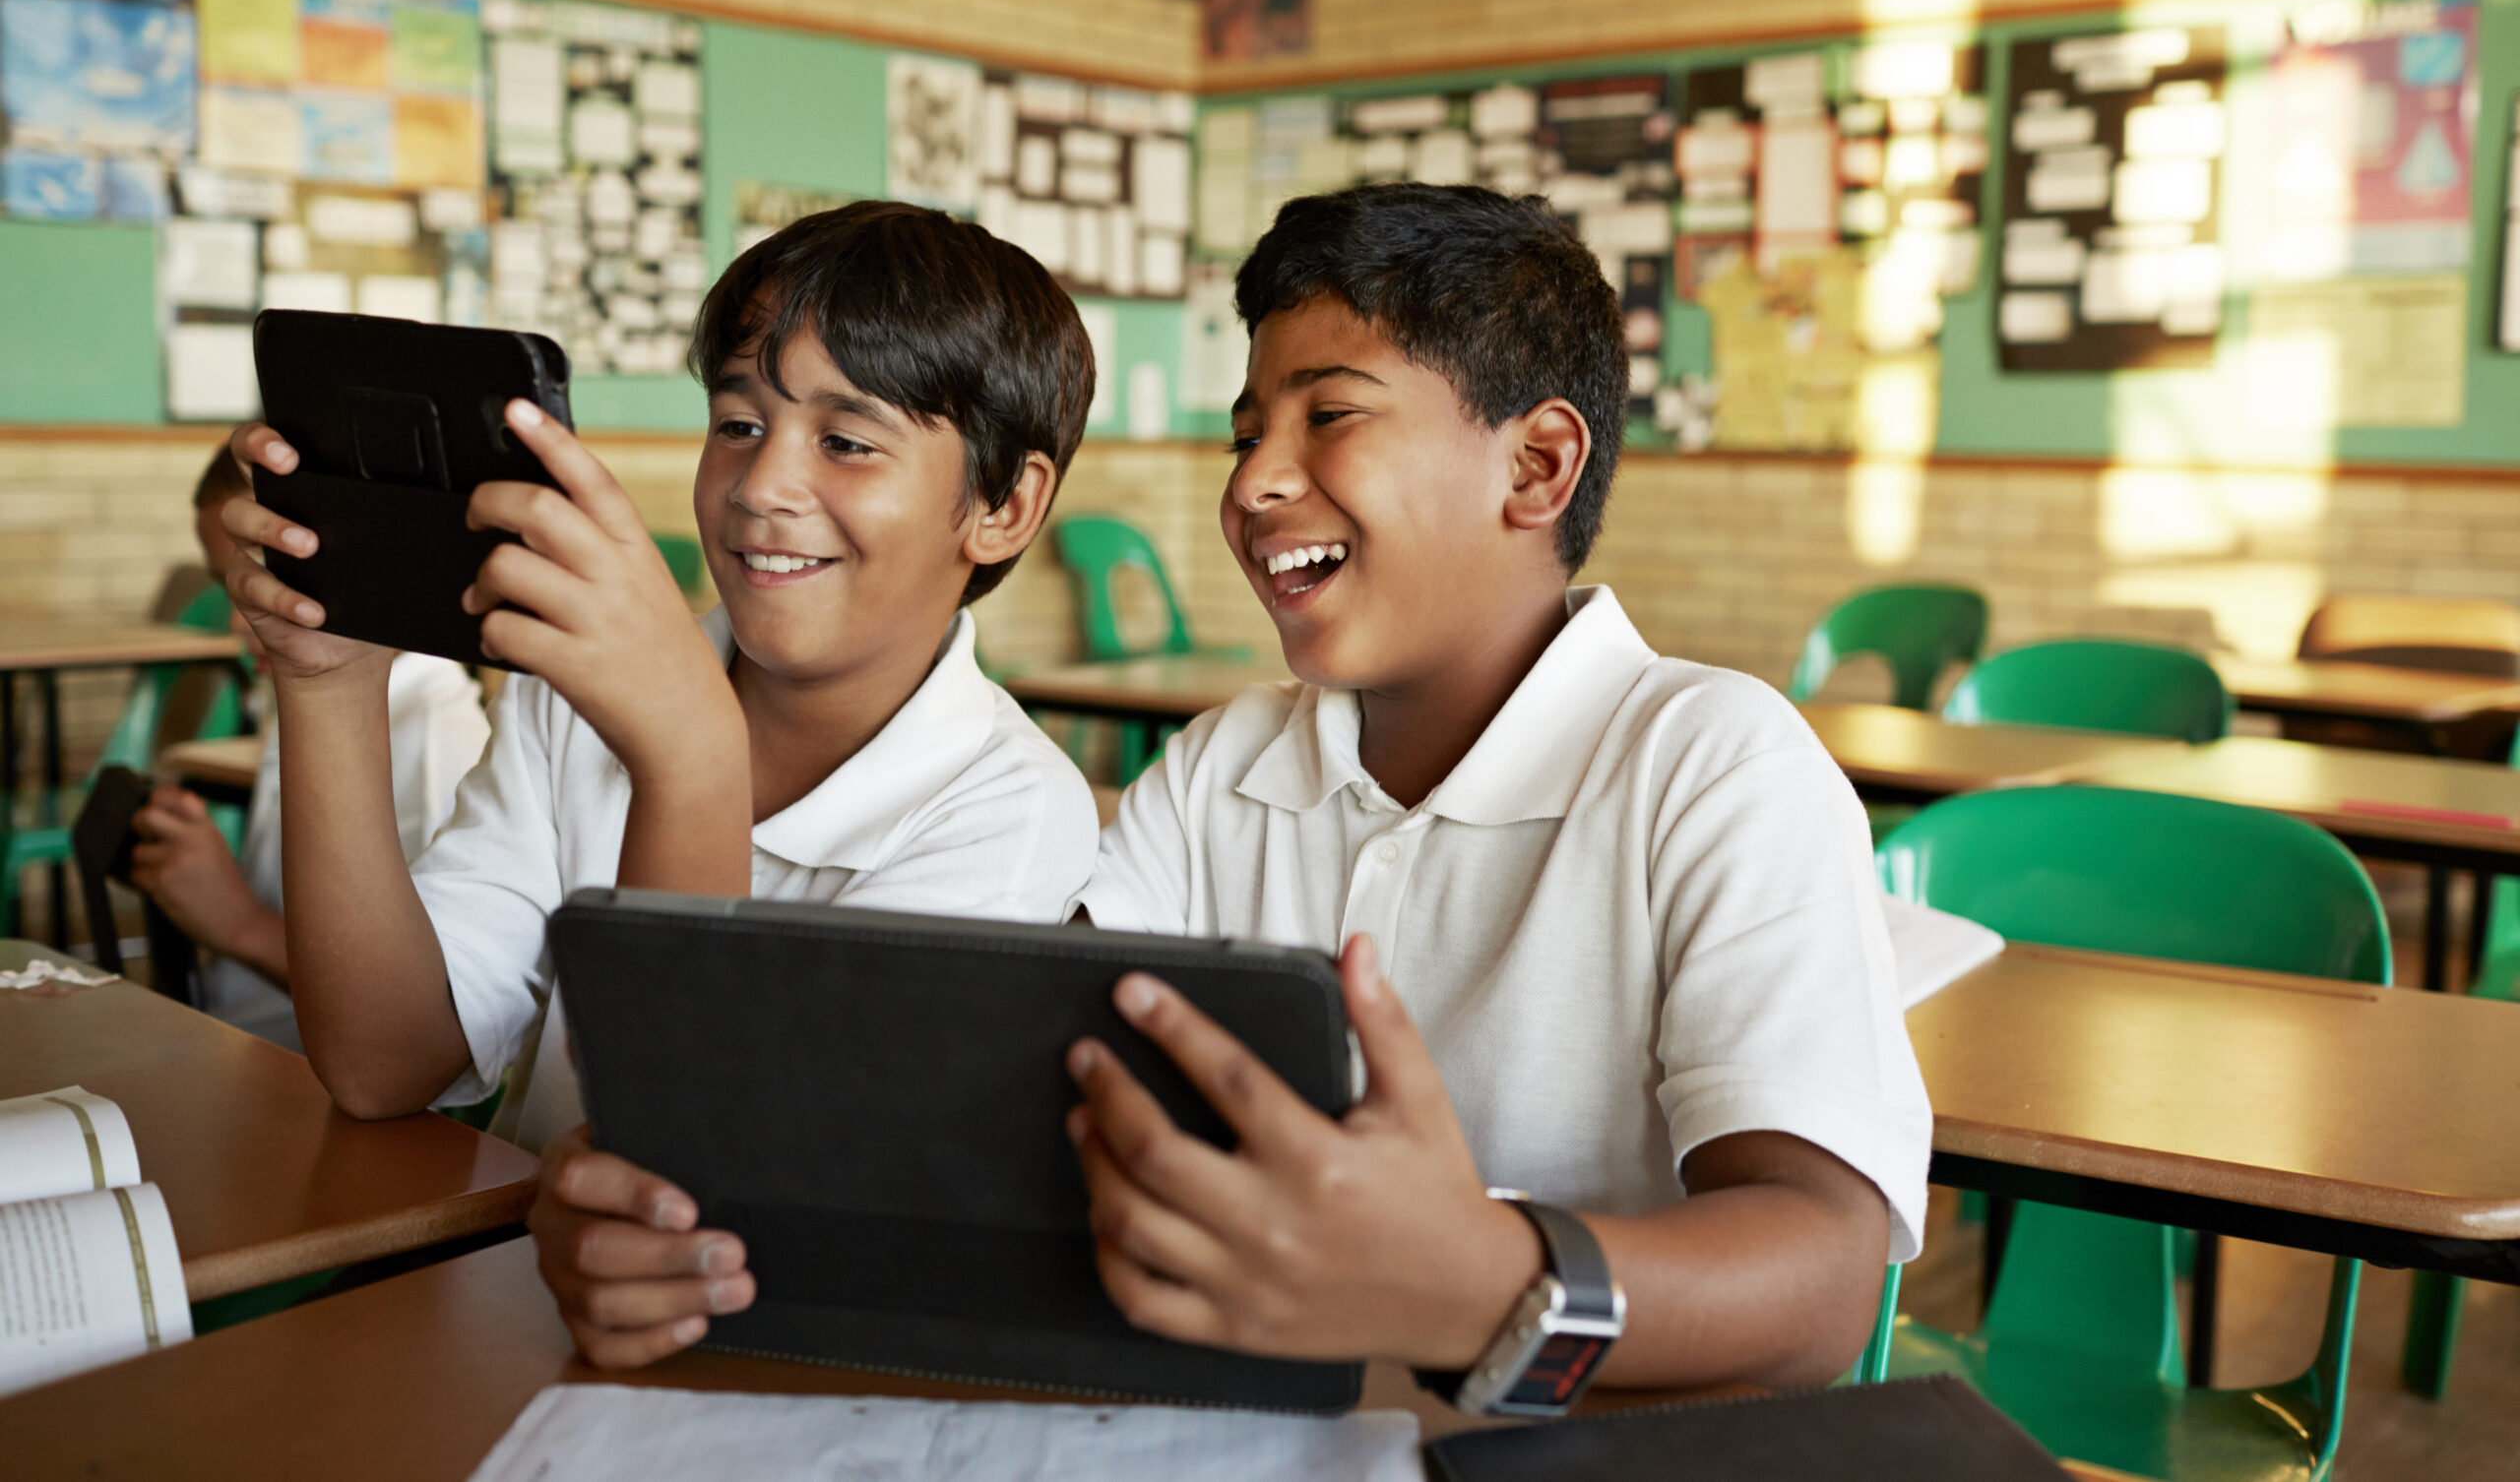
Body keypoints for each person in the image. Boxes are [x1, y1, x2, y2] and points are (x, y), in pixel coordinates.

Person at [527, 183, 1931, 1389]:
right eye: (1246, 432)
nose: (1257, 483)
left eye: (1331, 417)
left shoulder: (1711, 763)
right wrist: (668, 1223)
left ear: (1537, 463)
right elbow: (988, 1115)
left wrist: (1485, 1284)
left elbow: (1819, 1274)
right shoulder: (1221, 772)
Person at [217, 201, 1102, 1164]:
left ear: (1005, 504)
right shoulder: (569, 695)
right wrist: (329, 685)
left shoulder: (1010, 814)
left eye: (847, 441)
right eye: (738, 423)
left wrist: (690, 754)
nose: (761, 485)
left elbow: (697, 1177)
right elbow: (382, 1064)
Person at [128, 446, 489, 1052]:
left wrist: (238, 923)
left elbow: (433, 1019)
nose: (238, 622)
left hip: (306, 1073)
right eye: (229, 585)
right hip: (239, 1044)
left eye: (272, 579)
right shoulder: (303, 693)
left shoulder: (438, 736)